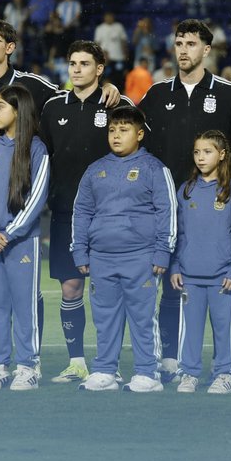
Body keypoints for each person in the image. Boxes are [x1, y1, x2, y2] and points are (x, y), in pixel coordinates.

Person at [0, 19, 105, 376]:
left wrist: (107, 88)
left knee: (26, 288)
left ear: (10, 47)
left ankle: (32, 359)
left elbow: (71, 97)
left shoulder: (33, 86)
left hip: (22, 206)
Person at [138, 19, 231, 379]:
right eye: (179, 43)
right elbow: (134, 137)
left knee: (223, 285)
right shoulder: (157, 94)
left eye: (191, 44)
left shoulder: (228, 93)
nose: (183, 50)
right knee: (169, 281)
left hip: (214, 205)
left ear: (206, 50)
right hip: (167, 205)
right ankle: (170, 358)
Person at [39, 41, 132, 383]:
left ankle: (110, 364)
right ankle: (76, 362)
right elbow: (42, 156)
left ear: (99, 69)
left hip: (110, 214)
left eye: (84, 63)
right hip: (66, 212)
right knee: (70, 289)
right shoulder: (52, 107)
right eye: (73, 63)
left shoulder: (117, 104)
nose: (77, 69)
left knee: (109, 290)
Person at [70, 105, 175, 393]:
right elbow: (82, 212)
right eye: (112, 130)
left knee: (142, 317)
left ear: (139, 134)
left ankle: (147, 373)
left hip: (140, 256)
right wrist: (80, 251)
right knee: (104, 317)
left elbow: (167, 210)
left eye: (124, 130)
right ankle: (105, 371)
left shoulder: (154, 168)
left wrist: (162, 251)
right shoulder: (95, 170)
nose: (116, 135)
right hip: (101, 258)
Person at [0, 85, 50, 391]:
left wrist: (9, 232)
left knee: (24, 305)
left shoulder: (36, 149)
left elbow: (37, 197)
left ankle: (28, 366)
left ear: (18, 111)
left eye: (0, 107)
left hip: (22, 242)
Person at [169, 130, 231, 394]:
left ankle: (224, 374)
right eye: (196, 152)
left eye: (207, 152)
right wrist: (175, 266)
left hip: (222, 276)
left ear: (222, 154)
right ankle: (189, 373)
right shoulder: (186, 190)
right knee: (190, 330)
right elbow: (179, 232)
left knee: (224, 329)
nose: (200, 157)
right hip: (190, 275)